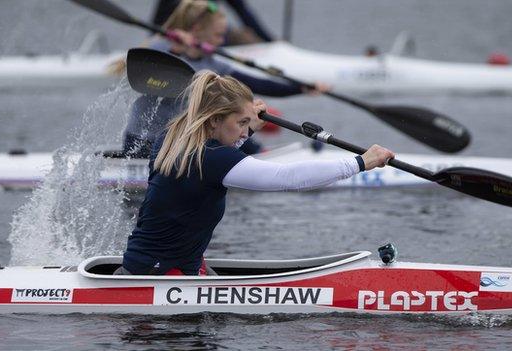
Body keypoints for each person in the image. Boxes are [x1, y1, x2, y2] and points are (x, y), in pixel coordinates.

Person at [115, 71, 395, 276]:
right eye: (241, 124)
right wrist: (360, 162)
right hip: (158, 275)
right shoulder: (212, 158)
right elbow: (288, 178)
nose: (244, 133)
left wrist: (246, 121)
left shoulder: (171, 137)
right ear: (214, 120)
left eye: (248, 124)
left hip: (159, 264)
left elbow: (226, 143)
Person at [122, 0, 329, 159]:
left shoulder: (213, 62)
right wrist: (176, 50)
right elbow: (140, 72)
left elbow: (255, 83)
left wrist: (300, 88)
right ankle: (255, 154)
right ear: (196, 31)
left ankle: (256, 151)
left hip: (178, 143)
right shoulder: (160, 49)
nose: (222, 42)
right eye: (218, 35)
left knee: (232, 113)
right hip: (144, 143)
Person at [152, 0, 274, 45]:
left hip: (205, 28)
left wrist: (271, 41)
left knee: (247, 38)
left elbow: (244, 13)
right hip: (172, 33)